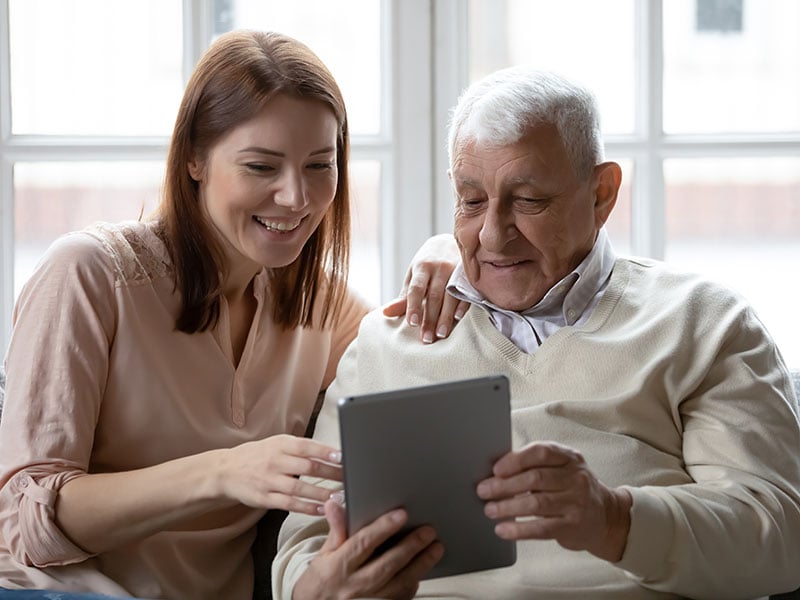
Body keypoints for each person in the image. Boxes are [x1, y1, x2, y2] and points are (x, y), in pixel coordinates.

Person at [272, 66, 800, 599]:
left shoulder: (702, 322)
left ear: (602, 194)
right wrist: (316, 587)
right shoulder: (385, 346)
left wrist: (613, 520)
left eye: (529, 201)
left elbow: (781, 534)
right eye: (471, 200)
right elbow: (303, 549)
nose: (494, 236)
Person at [0, 30, 467, 600]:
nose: (296, 198)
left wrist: (449, 249)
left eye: (320, 164)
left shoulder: (316, 302)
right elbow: (27, 524)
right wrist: (225, 471)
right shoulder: (89, 276)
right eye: (261, 167)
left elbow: (421, 356)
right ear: (194, 158)